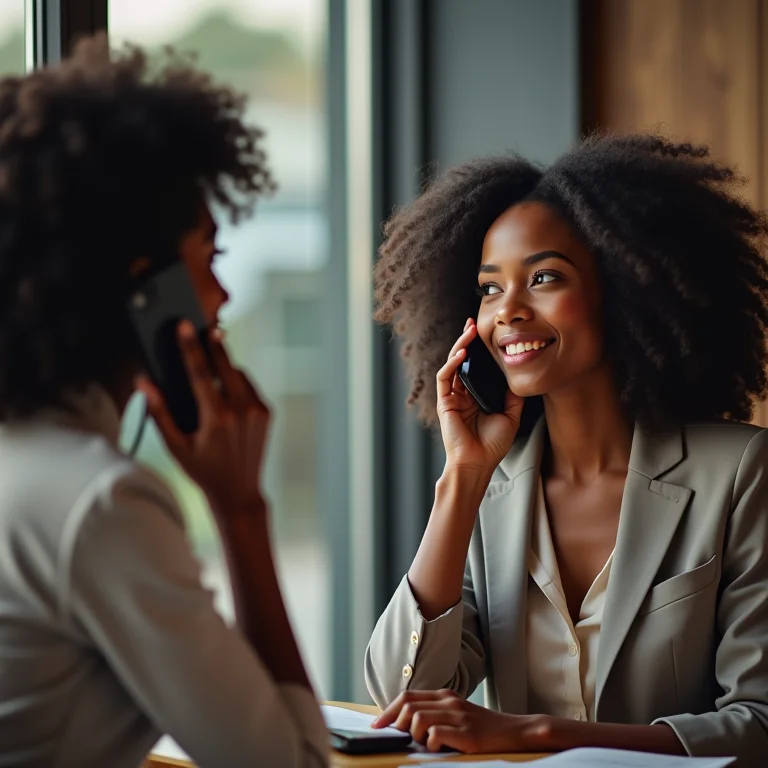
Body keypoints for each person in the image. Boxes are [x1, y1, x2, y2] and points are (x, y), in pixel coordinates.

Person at [364, 134, 768, 766]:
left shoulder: (740, 472)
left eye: (544, 278)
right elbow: (401, 697)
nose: (508, 312)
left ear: (627, 284)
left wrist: (540, 734)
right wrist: (462, 478)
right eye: (489, 288)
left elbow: (759, 726)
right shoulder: (489, 491)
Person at [0, 35, 328, 768]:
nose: (224, 296)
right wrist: (241, 511)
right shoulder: (100, 503)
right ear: (150, 290)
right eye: (210, 258)